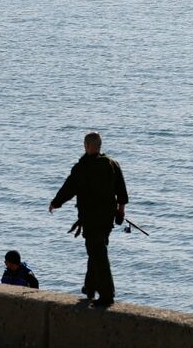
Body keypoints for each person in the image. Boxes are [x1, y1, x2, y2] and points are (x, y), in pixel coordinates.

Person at [49, 131, 128, 307]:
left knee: (98, 254)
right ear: (100, 145)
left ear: (86, 146)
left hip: (91, 219)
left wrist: (55, 203)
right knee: (97, 251)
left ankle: (107, 295)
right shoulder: (112, 164)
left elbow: (68, 188)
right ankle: (90, 288)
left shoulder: (82, 167)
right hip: (107, 219)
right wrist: (121, 212)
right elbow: (121, 191)